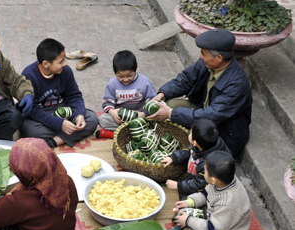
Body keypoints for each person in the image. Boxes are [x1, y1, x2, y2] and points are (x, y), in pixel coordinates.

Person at [147, 29, 253, 157]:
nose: (200, 56)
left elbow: (212, 115)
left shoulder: (237, 84)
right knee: (168, 103)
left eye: (203, 53)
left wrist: (171, 114)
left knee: (196, 156)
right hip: (202, 110)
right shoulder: (207, 63)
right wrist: (163, 93)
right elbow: (185, 80)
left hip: (222, 131)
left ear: (219, 58)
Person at [20, 38, 99, 148]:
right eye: (60, 62)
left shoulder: (65, 71)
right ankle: (68, 134)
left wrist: (78, 115)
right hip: (42, 114)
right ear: (46, 63)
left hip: (64, 110)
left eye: (64, 60)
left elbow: (74, 95)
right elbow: (33, 110)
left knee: (92, 119)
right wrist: (59, 124)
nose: (65, 64)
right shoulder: (29, 76)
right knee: (30, 130)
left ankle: (54, 141)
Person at [171, 151, 251, 230]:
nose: (203, 173)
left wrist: (188, 220)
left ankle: (184, 227)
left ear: (213, 180)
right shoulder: (223, 180)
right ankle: (187, 223)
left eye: (205, 171)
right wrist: (190, 202)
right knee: (184, 203)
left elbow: (213, 229)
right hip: (214, 214)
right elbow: (206, 194)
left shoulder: (228, 202)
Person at [162, 118, 231, 199]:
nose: (189, 133)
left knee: (185, 196)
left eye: (190, 133)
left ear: (195, 142)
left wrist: (178, 186)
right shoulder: (207, 143)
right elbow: (189, 151)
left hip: (204, 187)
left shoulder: (206, 164)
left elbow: (198, 185)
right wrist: (174, 157)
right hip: (195, 175)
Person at [97, 50, 156, 139]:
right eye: (121, 77)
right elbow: (107, 103)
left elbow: (153, 102)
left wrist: (143, 114)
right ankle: (135, 132)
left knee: (155, 120)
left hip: (139, 116)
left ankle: (122, 134)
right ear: (115, 72)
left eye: (130, 75)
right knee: (103, 120)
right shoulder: (112, 84)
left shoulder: (145, 82)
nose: (125, 79)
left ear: (136, 67)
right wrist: (112, 112)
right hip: (121, 118)